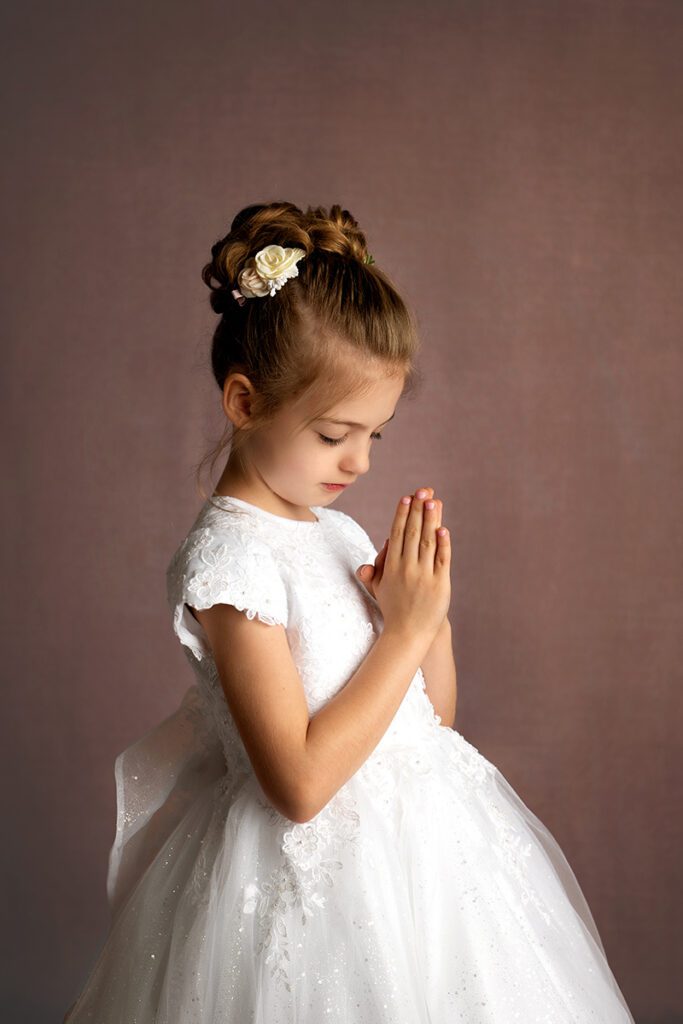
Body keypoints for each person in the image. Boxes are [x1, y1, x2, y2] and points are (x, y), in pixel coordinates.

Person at [63, 201, 635, 1022]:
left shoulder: (334, 530)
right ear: (243, 402)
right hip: (307, 881)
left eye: (377, 435)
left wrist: (426, 616)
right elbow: (297, 785)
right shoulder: (231, 560)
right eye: (335, 434)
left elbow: (427, 718)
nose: (359, 461)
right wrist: (400, 633)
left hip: (431, 866)